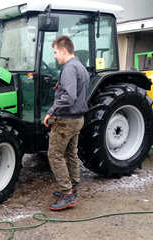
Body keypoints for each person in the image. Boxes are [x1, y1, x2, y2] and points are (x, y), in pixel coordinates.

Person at [44, 36, 89, 211]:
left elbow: (69, 96)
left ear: (64, 50)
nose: (55, 56)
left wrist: (51, 111)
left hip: (66, 120)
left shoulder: (69, 69)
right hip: (78, 119)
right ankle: (73, 187)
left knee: (54, 155)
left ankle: (67, 192)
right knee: (71, 153)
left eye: (55, 52)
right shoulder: (80, 67)